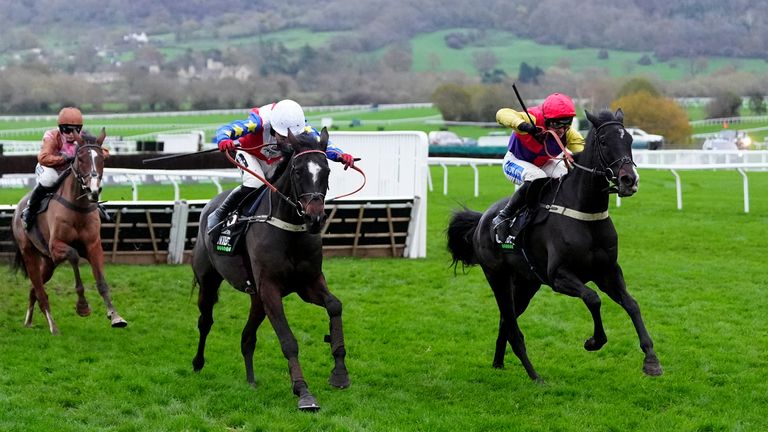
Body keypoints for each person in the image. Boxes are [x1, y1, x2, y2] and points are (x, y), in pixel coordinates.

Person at [208, 99, 356, 231]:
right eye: (283, 137)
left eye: (291, 138)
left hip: (274, 160)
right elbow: (225, 129)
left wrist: (341, 155)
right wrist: (224, 139)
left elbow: (322, 144)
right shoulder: (258, 122)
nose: (288, 142)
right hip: (250, 155)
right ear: (273, 128)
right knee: (255, 182)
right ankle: (220, 213)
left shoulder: (302, 127)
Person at [492, 93, 585, 243]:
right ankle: (504, 216)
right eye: (557, 125)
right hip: (515, 161)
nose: (562, 130)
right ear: (547, 120)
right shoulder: (533, 118)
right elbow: (501, 114)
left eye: (567, 124)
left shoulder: (569, 134)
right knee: (537, 177)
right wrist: (524, 126)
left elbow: (583, 152)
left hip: (544, 164)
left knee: (564, 175)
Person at [21, 107, 84, 231]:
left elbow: (102, 151)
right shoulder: (51, 136)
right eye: (67, 130)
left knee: (90, 180)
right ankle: (30, 209)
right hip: (49, 167)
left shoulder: (84, 136)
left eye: (75, 130)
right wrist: (64, 158)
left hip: (69, 170)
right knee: (49, 179)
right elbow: (43, 158)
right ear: (60, 128)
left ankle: (96, 208)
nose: (71, 134)